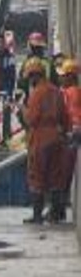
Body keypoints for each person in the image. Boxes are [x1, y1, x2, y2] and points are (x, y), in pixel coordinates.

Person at [19, 58, 69, 224]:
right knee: (55, 177)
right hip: (57, 138)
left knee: (37, 177)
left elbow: (31, 120)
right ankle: (55, 214)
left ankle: (37, 215)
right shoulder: (56, 91)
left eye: (30, 77)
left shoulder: (37, 93)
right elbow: (65, 118)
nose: (29, 81)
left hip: (40, 139)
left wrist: (21, 108)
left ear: (34, 76)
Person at [55, 58, 81, 221]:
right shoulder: (74, 91)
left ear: (71, 77)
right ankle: (59, 209)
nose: (60, 78)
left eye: (63, 75)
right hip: (72, 136)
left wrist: (71, 133)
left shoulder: (71, 93)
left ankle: (59, 211)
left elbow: (74, 116)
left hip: (70, 137)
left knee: (62, 176)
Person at [17, 31, 56, 101]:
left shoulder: (27, 63)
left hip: (36, 99)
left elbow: (21, 84)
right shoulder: (48, 63)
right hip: (46, 99)